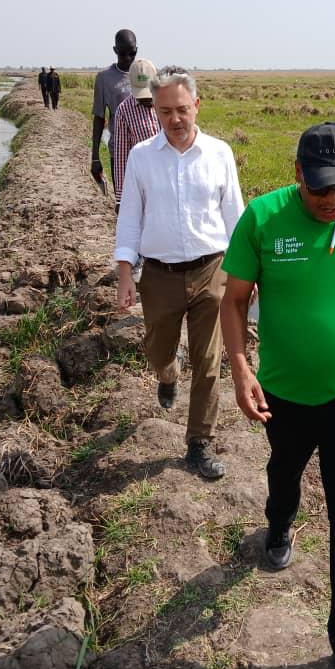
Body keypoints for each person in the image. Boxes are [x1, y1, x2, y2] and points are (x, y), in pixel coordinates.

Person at [220, 122, 335, 669]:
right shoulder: (264, 217)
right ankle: (278, 524)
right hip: (284, 391)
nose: (331, 199)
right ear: (297, 172)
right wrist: (240, 369)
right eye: (321, 187)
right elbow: (233, 301)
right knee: (285, 471)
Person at [115, 66, 245, 480]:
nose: (175, 119)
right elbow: (130, 218)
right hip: (159, 274)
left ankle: (198, 444)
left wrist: (247, 275)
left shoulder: (220, 153)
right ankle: (168, 373)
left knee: (209, 362)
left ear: (197, 106)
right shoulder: (141, 157)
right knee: (158, 349)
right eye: (166, 110)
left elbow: (234, 217)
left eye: (182, 110)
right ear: (154, 109)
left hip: (213, 270)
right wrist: (123, 273)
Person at [110, 58, 160, 213]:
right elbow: (121, 156)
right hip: (143, 184)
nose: (146, 99)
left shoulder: (168, 103)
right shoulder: (124, 111)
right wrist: (120, 198)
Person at [92, 29, 138, 198]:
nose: (128, 58)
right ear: (115, 50)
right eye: (123, 53)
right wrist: (95, 157)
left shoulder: (145, 74)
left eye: (132, 53)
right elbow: (99, 117)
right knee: (124, 202)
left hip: (146, 150)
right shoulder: (104, 78)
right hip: (119, 151)